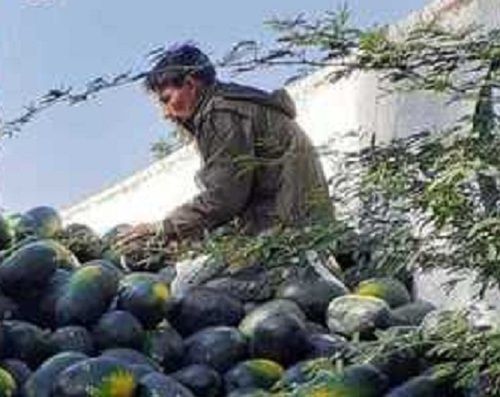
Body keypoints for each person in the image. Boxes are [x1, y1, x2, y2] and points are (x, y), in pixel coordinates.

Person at [116, 44, 333, 250]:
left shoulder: (221, 113)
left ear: (191, 85)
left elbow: (224, 197)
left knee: (192, 288)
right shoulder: (234, 104)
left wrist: (164, 228)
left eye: (167, 99)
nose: (165, 113)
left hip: (290, 235)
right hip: (303, 226)